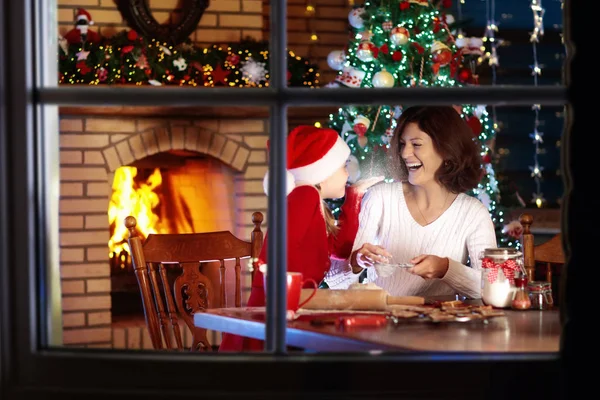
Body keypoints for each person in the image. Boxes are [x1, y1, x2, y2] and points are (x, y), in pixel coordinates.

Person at [219, 125, 383, 352]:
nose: (347, 173)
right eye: (343, 166)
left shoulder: (311, 199)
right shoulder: (304, 196)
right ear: (322, 172)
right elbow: (284, 247)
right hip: (280, 304)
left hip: (296, 301)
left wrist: (353, 197)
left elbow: (340, 249)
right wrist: (292, 296)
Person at [325, 106, 497, 299]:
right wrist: (356, 261)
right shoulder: (379, 198)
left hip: (441, 326)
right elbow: (334, 281)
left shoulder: (473, 213)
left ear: (447, 151)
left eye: (416, 144)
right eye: (402, 144)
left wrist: (446, 268)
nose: (405, 153)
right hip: (381, 324)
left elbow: (492, 286)